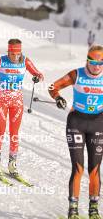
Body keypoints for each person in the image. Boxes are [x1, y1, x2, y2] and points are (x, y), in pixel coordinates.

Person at [48, 45, 103, 219]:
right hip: (76, 122)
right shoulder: (77, 74)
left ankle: (93, 209)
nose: (97, 66)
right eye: (93, 62)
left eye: (101, 63)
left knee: (94, 169)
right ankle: (73, 209)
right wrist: (57, 98)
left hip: (98, 124)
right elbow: (52, 86)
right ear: (87, 61)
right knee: (78, 168)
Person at [0, 39, 44, 176]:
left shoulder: (25, 61)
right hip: (2, 100)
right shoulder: (1, 61)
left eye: (18, 54)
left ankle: (12, 163)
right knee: (1, 131)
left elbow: (38, 73)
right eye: (12, 54)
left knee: (14, 133)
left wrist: (38, 77)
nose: (15, 57)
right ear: (8, 51)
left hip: (17, 101)